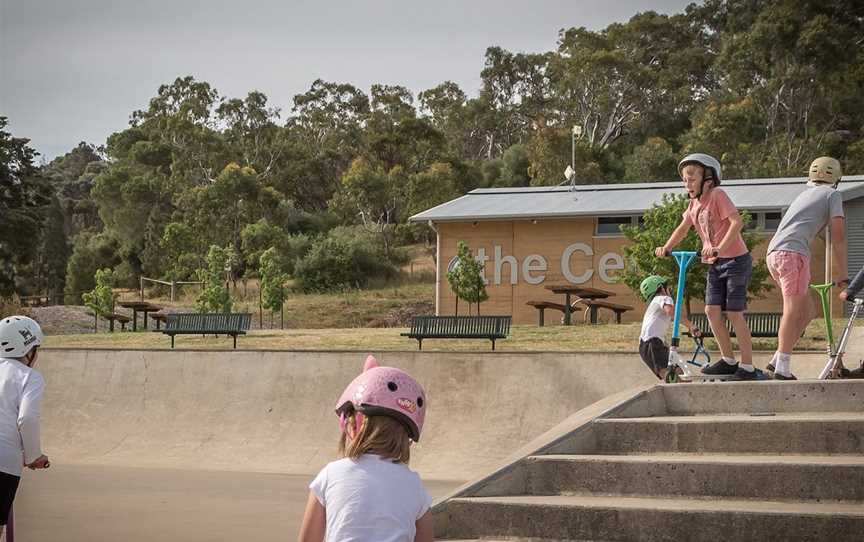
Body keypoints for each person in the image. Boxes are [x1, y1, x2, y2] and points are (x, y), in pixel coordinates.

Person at [298, 355, 433, 542]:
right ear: (407, 436)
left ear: (351, 424)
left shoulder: (330, 475)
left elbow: (307, 540)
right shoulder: (414, 485)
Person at [655, 153, 758, 380]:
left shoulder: (718, 195)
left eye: (692, 178)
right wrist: (666, 246)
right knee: (711, 311)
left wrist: (719, 247)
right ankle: (729, 360)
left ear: (708, 178)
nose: (687, 184)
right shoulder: (694, 204)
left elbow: (736, 223)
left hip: (736, 260)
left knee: (733, 312)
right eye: (684, 179)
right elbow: (683, 228)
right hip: (715, 262)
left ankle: (748, 366)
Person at [765, 157, 847, 380]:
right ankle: (783, 367)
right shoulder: (833, 194)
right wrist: (843, 274)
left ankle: (776, 359)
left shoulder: (805, 194)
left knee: (808, 310)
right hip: (792, 254)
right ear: (836, 179)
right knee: (792, 310)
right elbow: (838, 238)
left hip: (775, 254)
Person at [0, 315, 50, 538]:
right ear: (29, 349)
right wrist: (33, 456)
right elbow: (27, 419)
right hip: (3, 462)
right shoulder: (29, 377)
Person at [638, 275, 702, 380]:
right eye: (667, 287)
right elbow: (671, 312)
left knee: (676, 375)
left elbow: (653, 328)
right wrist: (691, 326)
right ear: (661, 287)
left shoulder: (654, 304)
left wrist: (665, 345)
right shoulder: (664, 298)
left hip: (647, 346)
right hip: (652, 344)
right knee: (674, 376)